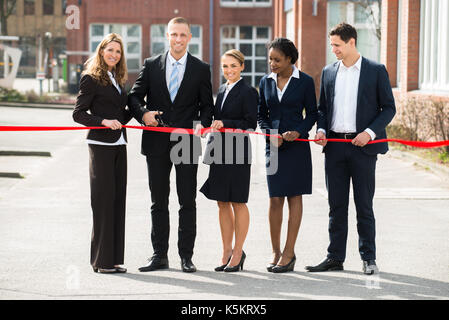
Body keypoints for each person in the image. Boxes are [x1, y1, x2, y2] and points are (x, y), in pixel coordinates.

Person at [305, 23, 396, 275]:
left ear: (351, 42)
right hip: (334, 147)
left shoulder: (375, 71)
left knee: (364, 205)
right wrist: (321, 130)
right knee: (336, 206)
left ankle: (368, 258)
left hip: (363, 149)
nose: (332, 49)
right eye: (331, 44)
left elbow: (388, 108)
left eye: (337, 45)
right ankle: (335, 257)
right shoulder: (328, 72)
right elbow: (323, 109)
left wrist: (369, 133)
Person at [128, 17, 213, 273]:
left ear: (189, 37)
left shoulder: (200, 69)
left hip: (187, 141)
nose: (178, 39)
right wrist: (143, 114)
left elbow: (207, 105)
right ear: (167, 36)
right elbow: (133, 96)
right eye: (174, 34)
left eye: (183, 35)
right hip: (156, 142)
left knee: (187, 201)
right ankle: (159, 255)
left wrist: (203, 123)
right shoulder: (152, 65)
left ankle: (186, 256)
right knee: (158, 201)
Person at [73, 33, 131, 274]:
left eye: (118, 52)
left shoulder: (117, 78)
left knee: (118, 202)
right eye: (110, 50)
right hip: (100, 147)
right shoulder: (90, 78)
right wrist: (103, 121)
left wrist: (145, 114)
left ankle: (114, 259)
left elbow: (121, 114)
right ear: (101, 51)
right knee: (104, 202)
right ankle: (101, 261)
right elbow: (78, 114)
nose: (114, 55)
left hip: (119, 145)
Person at [258, 38, 317, 273]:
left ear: (290, 60)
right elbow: (261, 115)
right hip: (273, 146)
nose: (272, 63)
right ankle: (275, 251)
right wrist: (269, 134)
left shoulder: (305, 82)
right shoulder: (265, 82)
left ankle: (289, 252)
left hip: (297, 147)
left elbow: (312, 114)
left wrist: (299, 132)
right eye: (270, 59)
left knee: (294, 198)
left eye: (277, 60)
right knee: (274, 199)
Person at [200, 49, 258, 272]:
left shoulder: (248, 91)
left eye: (233, 66)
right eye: (225, 66)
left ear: (242, 66)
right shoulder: (222, 89)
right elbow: (217, 118)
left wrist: (226, 123)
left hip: (238, 152)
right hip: (219, 151)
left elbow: (250, 123)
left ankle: (238, 251)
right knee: (221, 201)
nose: (229, 70)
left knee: (237, 201)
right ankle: (226, 250)